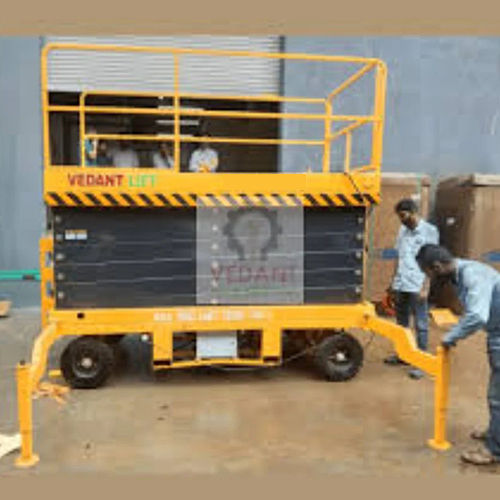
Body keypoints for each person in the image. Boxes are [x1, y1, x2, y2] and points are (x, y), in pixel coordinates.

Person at [416, 244, 500, 466]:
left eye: (429, 275)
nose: (431, 280)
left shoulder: (472, 275)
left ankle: (494, 450)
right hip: (496, 332)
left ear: (436, 267)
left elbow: (477, 315)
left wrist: (451, 336)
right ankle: (495, 431)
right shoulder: (461, 272)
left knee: (497, 395)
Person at [383, 198, 440, 379]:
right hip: (402, 283)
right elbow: (399, 257)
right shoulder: (402, 230)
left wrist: (425, 287)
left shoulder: (430, 231)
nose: (401, 220)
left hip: (417, 284)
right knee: (401, 323)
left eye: (403, 216)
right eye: (399, 217)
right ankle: (403, 355)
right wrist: (393, 282)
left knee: (421, 324)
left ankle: (421, 362)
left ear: (413, 212)